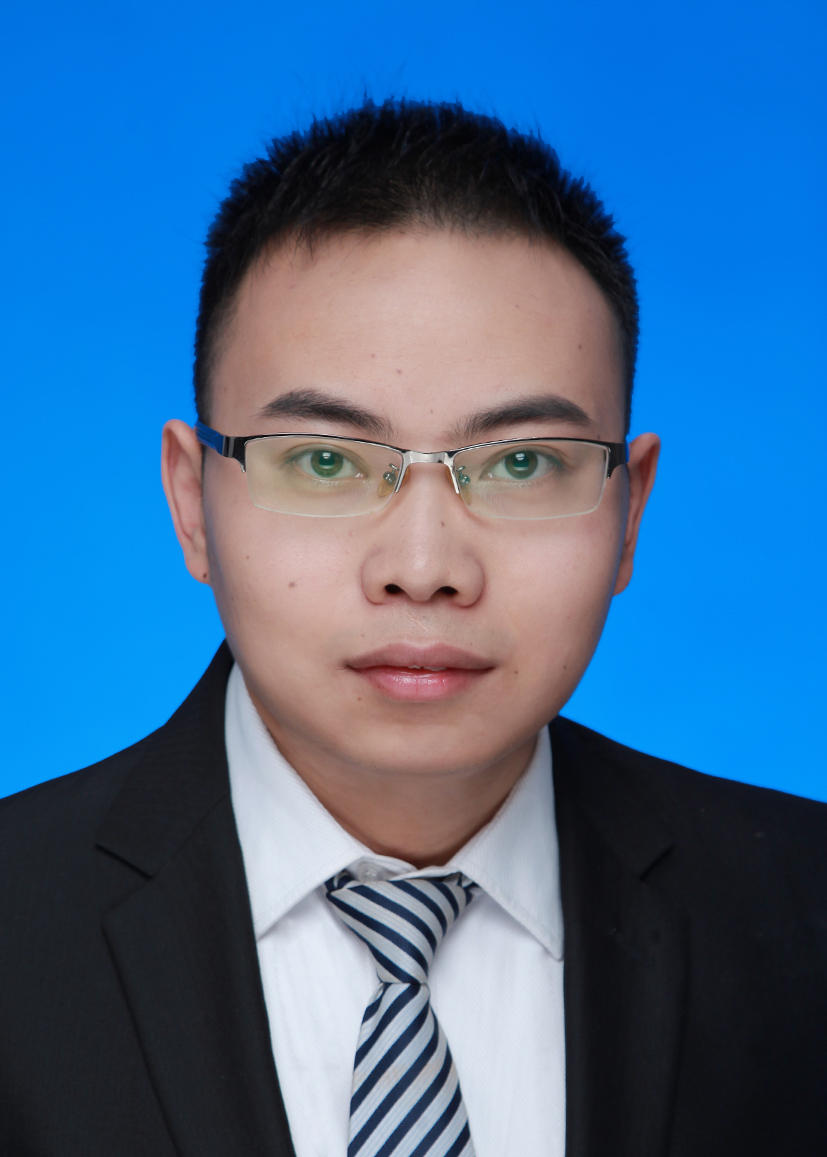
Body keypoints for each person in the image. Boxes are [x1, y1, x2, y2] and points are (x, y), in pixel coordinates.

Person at [1, 99, 825, 1157]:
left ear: (628, 514)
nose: (424, 568)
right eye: (325, 460)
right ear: (191, 502)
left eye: (522, 463)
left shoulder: (800, 912)